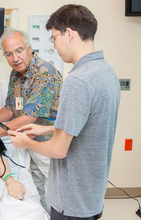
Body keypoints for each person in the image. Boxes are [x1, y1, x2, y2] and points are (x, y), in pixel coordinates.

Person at [8, 4, 120, 220]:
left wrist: (26, 142)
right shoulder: (106, 72)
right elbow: (90, 122)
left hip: (72, 200)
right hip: (92, 193)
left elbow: (58, 150)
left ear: (68, 34)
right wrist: (49, 127)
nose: (55, 46)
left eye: (54, 38)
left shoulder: (77, 80)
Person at [0, 28, 62, 212]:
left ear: (29, 48)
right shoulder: (16, 75)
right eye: (8, 54)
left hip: (50, 142)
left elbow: (28, 117)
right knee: (39, 186)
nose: (15, 58)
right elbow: (10, 110)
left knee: (57, 192)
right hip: (30, 142)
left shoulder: (44, 73)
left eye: (19, 51)